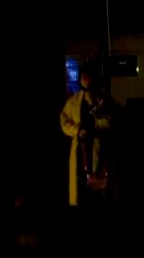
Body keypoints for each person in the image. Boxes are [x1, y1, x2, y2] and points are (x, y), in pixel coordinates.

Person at [60, 67, 114, 206]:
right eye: (83, 76)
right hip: (79, 151)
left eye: (88, 76)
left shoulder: (101, 99)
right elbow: (64, 120)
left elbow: (109, 121)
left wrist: (93, 127)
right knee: (80, 187)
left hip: (97, 149)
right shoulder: (73, 101)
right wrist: (77, 130)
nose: (85, 80)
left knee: (97, 191)